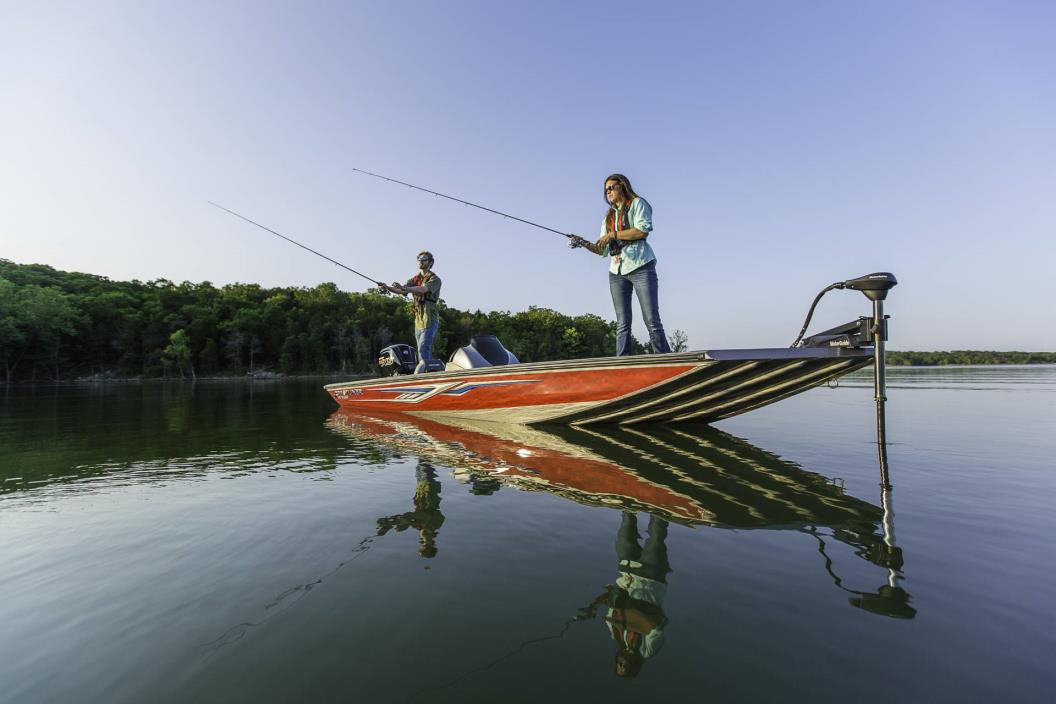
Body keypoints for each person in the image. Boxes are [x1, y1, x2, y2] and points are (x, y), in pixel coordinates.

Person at [570, 174, 671, 356]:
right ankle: (622, 361)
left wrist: (613, 235)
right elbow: (603, 250)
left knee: (651, 320)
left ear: (622, 186)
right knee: (622, 322)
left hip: (641, 266)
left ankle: (664, 359)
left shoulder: (638, 203)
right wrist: (583, 242)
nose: (608, 192)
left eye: (611, 187)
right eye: (605, 189)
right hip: (616, 272)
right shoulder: (608, 217)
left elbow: (642, 231)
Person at [577, 512, 672, 677]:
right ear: (635, 667)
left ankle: (631, 500)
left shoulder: (615, 634)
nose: (623, 663)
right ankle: (661, 503)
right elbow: (655, 627)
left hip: (627, 571)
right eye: (625, 667)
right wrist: (629, 614)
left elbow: (612, 605)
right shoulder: (647, 650)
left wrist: (593, 606)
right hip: (651, 578)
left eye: (619, 664)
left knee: (625, 533)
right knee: (657, 531)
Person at [378, 251, 442, 373]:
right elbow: (401, 291)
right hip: (418, 319)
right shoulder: (415, 279)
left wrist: (405, 288)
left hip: (430, 317)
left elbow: (423, 289)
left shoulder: (435, 279)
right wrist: (387, 287)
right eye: (418, 259)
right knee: (420, 350)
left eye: (424, 259)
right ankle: (431, 373)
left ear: (431, 263)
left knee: (424, 348)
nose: (420, 261)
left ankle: (428, 376)